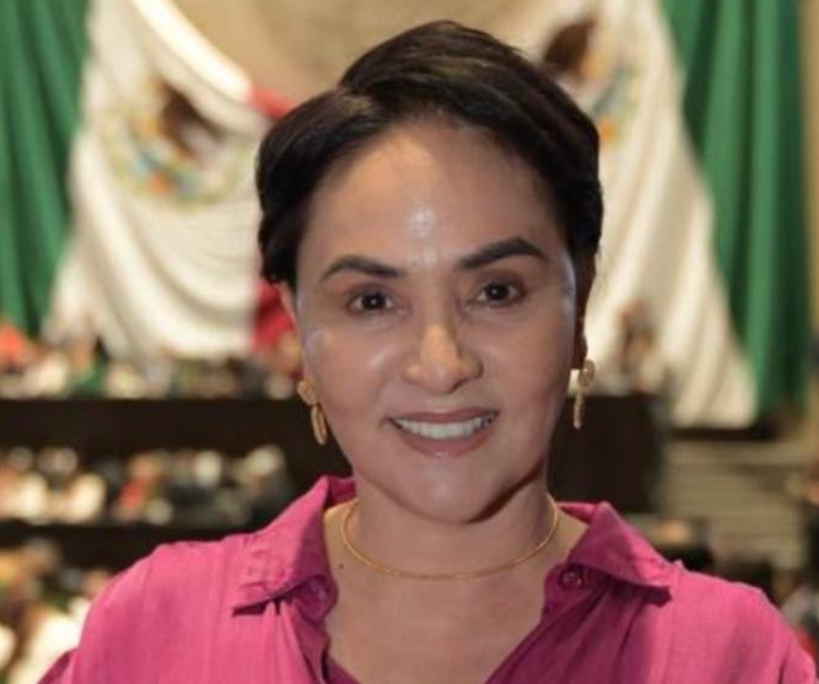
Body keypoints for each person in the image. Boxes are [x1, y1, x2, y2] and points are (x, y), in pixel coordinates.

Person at [39, 20, 814, 684]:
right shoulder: (156, 634)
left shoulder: (724, 655)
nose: (440, 365)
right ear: (300, 328)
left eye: (496, 291)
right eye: (372, 302)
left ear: (579, 301)